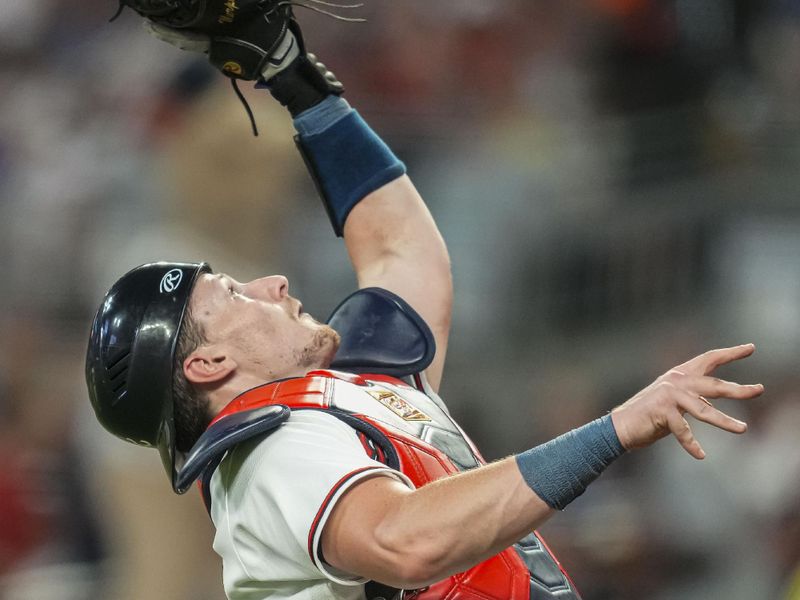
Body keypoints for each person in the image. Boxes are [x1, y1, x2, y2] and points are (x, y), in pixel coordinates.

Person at [85, 8, 764, 600]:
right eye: (232, 294)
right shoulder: (265, 454)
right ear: (208, 364)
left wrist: (297, 80)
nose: (273, 284)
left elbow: (402, 253)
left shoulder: (335, 398)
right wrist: (615, 428)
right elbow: (403, 541)